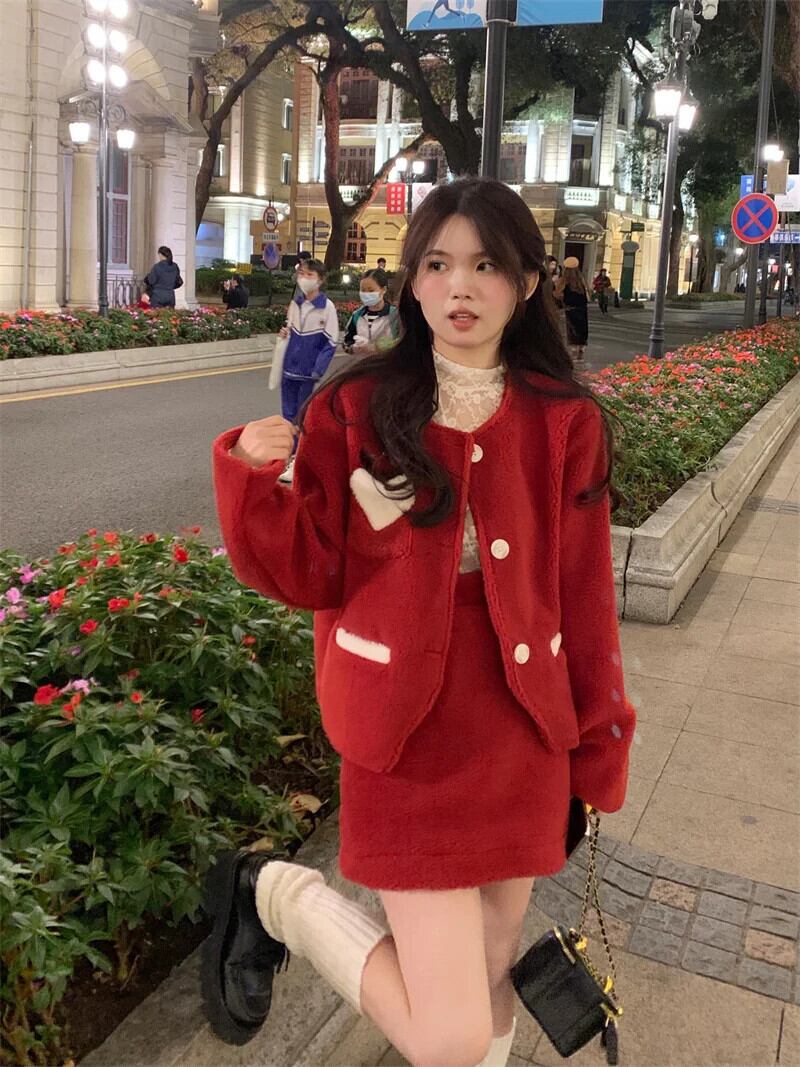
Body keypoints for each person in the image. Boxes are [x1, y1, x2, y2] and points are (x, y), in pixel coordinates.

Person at [206, 178, 634, 1067]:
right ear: (411, 280)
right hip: (403, 732)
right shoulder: (357, 404)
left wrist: (598, 745)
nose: (459, 287)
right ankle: (277, 896)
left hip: (522, 732)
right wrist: (249, 479)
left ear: (528, 281)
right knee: (448, 1034)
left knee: (490, 976)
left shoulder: (566, 420)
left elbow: (585, 596)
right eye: (436, 264)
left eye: (486, 265)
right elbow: (310, 570)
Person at [275, 259, 338, 483]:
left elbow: (331, 342)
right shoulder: (296, 303)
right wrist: (284, 335)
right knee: (287, 416)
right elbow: (290, 330)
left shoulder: (327, 307)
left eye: (309, 274)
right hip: (288, 369)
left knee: (302, 418)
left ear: (321, 279)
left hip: (307, 373)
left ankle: (299, 460)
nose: (304, 278)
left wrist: (317, 369)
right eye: (301, 273)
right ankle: (291, 456)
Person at [342, 269, 399, 356]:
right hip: (363, 363)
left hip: (387, 363)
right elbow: (346, 341)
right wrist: (353, 348)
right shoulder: (357, 315)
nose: (366, 294)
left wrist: (378, 347)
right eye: (363, 290)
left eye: (371, 290)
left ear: (383, 290)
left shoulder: (395, 315)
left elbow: (404, 342)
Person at [556, 256, 590, 367]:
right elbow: (587, 295)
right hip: (582, 309)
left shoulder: (563, 281)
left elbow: (557, 294)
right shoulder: (581, 280)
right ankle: (581, 352)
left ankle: (574, 353)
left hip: (570, 309)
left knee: (572, 330)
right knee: (582, 329)